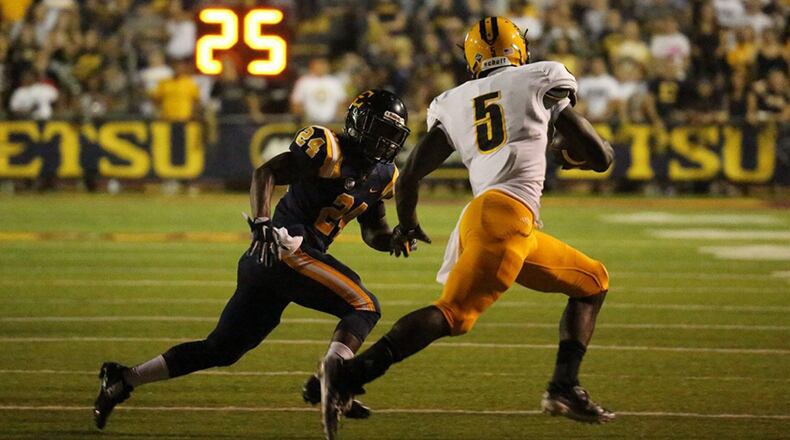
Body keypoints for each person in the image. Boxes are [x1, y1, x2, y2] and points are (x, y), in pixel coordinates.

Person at [321, 17, 615, 439]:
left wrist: (408, 224)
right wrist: (589, 153)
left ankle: (564, 388)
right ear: (519, 49)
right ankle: (348, 375)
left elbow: (409, 176)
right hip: (505, 219)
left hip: (496, 219)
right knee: (453, 314)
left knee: (592, 282)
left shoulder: (453, 100)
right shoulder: (541, 77)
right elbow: (600, 158)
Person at [93, 89, 412, 430]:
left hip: (278, 262)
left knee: (222, 349)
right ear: (358, 122)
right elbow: (266, 173)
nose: (385, 142)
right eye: (380, 130)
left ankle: (124, 378)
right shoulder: (327, 148)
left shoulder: (383, 175)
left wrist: (392, 239)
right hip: (284, 247)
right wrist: (262, 221)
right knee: (364, 305)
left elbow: (373, 230)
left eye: (392, 135)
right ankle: (333, 379)